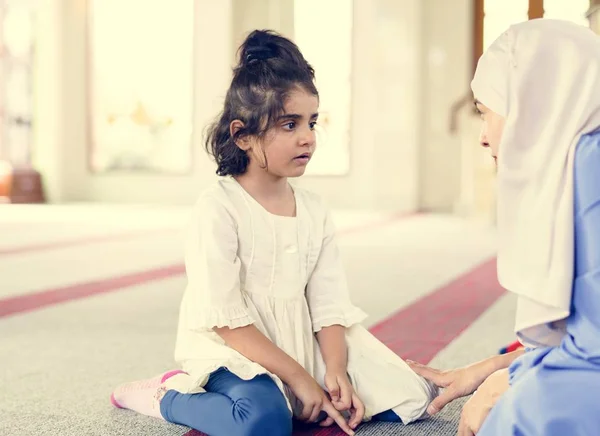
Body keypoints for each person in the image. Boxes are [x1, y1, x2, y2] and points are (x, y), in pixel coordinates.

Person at [110, 29, 437, 436]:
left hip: (300, 342)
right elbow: (227, 323)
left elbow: (328, 303)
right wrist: (299, 378)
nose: (308, 138)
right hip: (234, 350)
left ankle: (306, 386)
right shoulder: (219, 208)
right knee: (264, 422)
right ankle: (166, 395)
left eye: (312, 122)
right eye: (289, 124)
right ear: (242, 135)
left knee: (411, 397)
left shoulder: (314, 209)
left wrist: (334, 373)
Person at [409, 19, 600, 435]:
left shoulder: (591, 172)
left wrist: (512, 384)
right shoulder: (580, 162)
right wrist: (495, 369)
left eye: (486, 113)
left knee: (519, 414)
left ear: (535, 102)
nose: (483, 137)